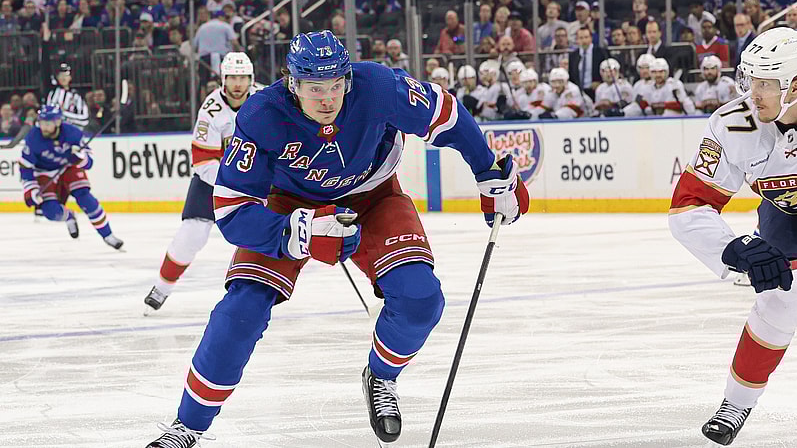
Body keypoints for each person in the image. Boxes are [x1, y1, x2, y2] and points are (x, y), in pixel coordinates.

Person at [145, 30, 530, 447]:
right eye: (314, 88)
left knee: (421, 300)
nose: (328, 99)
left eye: (335, 86)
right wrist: (298, 234)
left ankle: (380, 378)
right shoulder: (260, 115)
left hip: (374, 194)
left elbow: (447, 114)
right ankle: (188, 426)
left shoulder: (378, 86)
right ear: (292, 84)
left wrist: (490, 172)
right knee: (240, 312)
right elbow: (231, 211)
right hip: (288, 205)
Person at [669, 27, 797, 445]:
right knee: (782, 297)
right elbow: (687, 206)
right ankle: (736, 402)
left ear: (796, 84)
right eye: (749, 79)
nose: (752, 94)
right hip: (792, 217)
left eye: (765, 84)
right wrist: (734, 249)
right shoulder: (733, 126)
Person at [144, 52, 261, 314]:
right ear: (223, 79)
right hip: (215, 182)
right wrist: (231, 181)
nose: (238, 84)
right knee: (191, 234)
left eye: (243, 77)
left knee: (265, 233)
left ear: (251, 79)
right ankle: (162, 287)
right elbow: (203, 160)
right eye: (232, 77)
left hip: (258, 180)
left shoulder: (266, 100)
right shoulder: (211, 109)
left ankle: (264, 290)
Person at [19, 105, 123, 249]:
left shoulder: (72, 133)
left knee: (85, 197)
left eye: (47, 123)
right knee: (50, 211)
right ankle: (69, 216)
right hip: (44, 171)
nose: (44, 127)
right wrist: (30, 189)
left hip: (68, 167)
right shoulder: (33, 137)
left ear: (57, 122)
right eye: (42, 123)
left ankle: (108, 235)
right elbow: (25, 166)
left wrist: (81, 157)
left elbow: (89, 163)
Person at [45, 62, 89, 128]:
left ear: (70, 77)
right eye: (61, 75)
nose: (63, 78)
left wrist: (63, 114)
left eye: (66, 75)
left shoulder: (77, 95)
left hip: (74, 130)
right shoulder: (52, 94)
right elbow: (49, 114)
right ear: (57, 77)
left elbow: (85, 119)